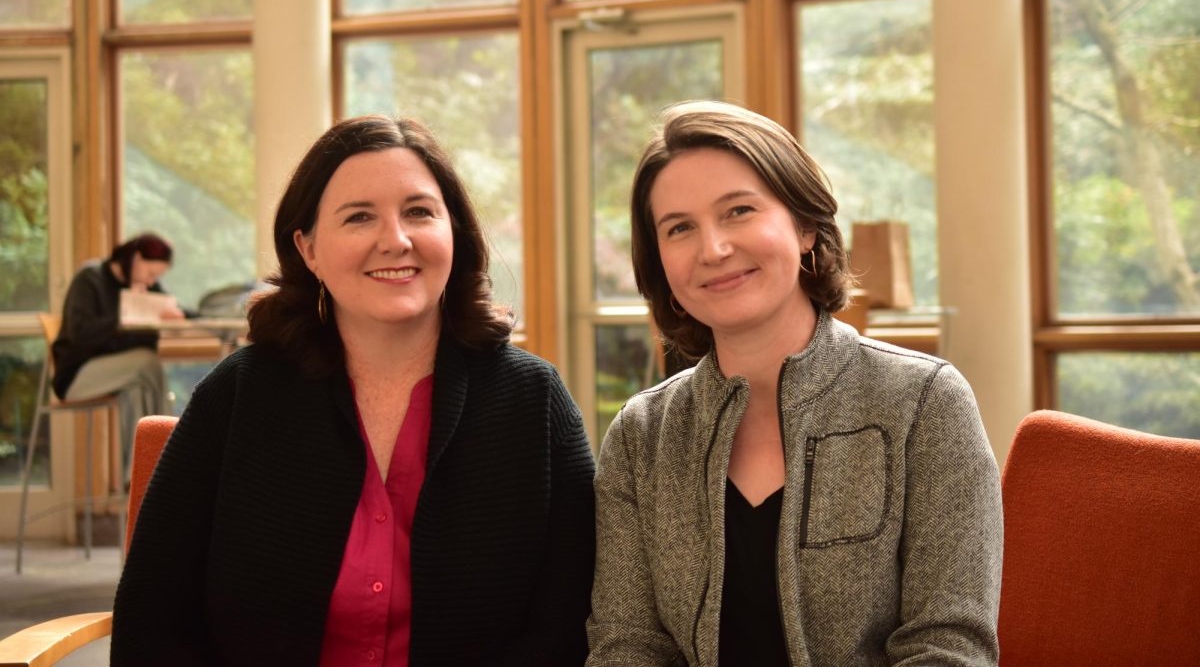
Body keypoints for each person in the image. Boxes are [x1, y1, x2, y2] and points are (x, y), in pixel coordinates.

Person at [111, 115, 596, 666]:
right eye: (359, 217)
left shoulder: (534, 401)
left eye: (419, 212)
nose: (396, 240)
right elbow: (153, 615)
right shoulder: (237, 396)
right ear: (309, 248)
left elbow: (568, 624)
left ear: (454, 233)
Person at [587, 101, 1003, 666]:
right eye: (679, 228)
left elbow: (948, 647)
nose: (713, 249)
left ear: (805, 226)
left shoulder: (925, 402)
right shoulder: (642, 434)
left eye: (738, 211)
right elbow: (627, 646)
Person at [52, 233, 183, 480]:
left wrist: (177, 314)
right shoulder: (90, 278)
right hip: (77, 375)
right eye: (150, 274)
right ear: (134, 258)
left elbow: (172, 308)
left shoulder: (143, 286)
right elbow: (80, 334)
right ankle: (171, 452)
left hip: (122, 377)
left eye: (157, 277)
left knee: (135, 389)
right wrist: (126, 316)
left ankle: (138, 478)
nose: (152, 281)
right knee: (147, 362)